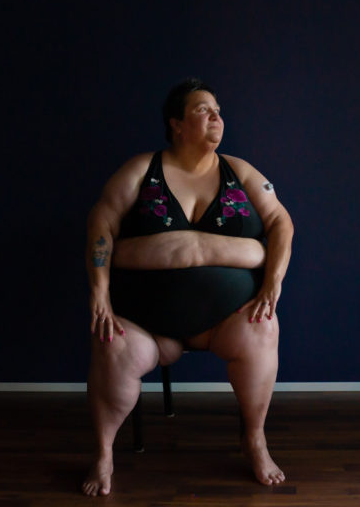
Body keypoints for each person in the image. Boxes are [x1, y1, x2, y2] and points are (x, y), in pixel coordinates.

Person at [82, 78, 294, 496]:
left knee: (265, 328)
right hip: (147, 325)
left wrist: (273, 283)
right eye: (202, 109)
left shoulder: (242, 171)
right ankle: (103, 453)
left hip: (225, 323)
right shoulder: (142, 168)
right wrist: (100, 292)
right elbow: (101, 223)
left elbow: (281, 222)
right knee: (111, 342)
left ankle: (255, 440)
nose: (216, 116)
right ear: (176, 124)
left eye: (217, 109)